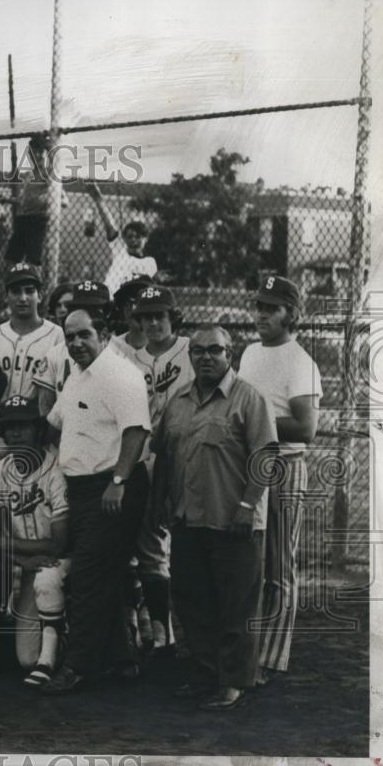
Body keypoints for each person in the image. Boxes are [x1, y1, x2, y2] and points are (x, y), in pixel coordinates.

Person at [151, 324, 278, 710]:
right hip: (188, 520)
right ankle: (204, 673)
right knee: (193, 599)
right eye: (198, 351)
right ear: (190, 356)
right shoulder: (178, 400)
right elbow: (165, 456)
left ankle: (233, 681)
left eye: (215, 350)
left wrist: (246, 506)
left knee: (234, 604)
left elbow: (266, 458)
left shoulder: (249, 399)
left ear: (230, 353)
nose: (206, 357)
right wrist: (159, 503)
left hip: (233, 521)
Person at [41, 304, 151, 695]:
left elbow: (136, 433)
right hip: (83, 489)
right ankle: (123, 661)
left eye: (84, 334)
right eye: (69, 336)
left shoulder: (121, 375)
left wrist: (118, 480)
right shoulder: (77, 375)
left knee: (86, 574)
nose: (76, 343)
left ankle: (77, 667)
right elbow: (55, 421)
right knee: (107, 574)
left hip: (113, 488)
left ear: (103, 334)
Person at [239, 275, 322, 687]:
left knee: (278, 566)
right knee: (246, 560)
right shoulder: (250, 352)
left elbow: (306, 428)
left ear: (291, 314)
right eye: (258, 306)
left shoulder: (300, 360)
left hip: (284, 467)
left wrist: (256, 424)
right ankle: (245, 652)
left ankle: (271, 660)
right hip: (249, 466)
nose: (261, 315)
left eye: (271, 308)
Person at [0, 395, 69, 688]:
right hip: (24, 562)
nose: (16, 433)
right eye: (10, 427)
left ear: (37, 430)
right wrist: (22, 559)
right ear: (2, 433)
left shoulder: (58, 470)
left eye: (24, 426)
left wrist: (9, 547)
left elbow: (59, 543)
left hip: (63, 560)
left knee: (46, 578)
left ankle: (54, 648)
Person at [126, 284, 193, 653]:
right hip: (146, 457)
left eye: (159, 316)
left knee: (188, 540)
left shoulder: (190, 352)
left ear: (173, 318)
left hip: (186, 455)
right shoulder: (130, 360)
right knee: (149, 542)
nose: (152, 323)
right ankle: (162, 630)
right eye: (146, 316)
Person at [0, 263, 64, 465]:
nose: (23, 298)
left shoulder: (57, 336)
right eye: (16, 291)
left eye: (30, 291)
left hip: (39, 434)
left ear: (40, 295)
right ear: (6, 296)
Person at [33, 280, 110, 421]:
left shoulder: (122, 352)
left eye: (95, 309)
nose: (89, 314)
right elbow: (46, 410)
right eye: (81, 308)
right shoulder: (56, 354)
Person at [87, 182, 157, 295]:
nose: (133, 240)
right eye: (129, 236)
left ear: (146, 239)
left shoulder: (150, 262)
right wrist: (98, 200)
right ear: (124, 239)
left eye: (138, 236)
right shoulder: (120, 251)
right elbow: (109, 227)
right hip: (109, 297)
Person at [109, 275, 152, 361]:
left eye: (141, 301)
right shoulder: (110, 348)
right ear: (123, 310)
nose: (133, 308)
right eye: (127, 303)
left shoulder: (168, 347)